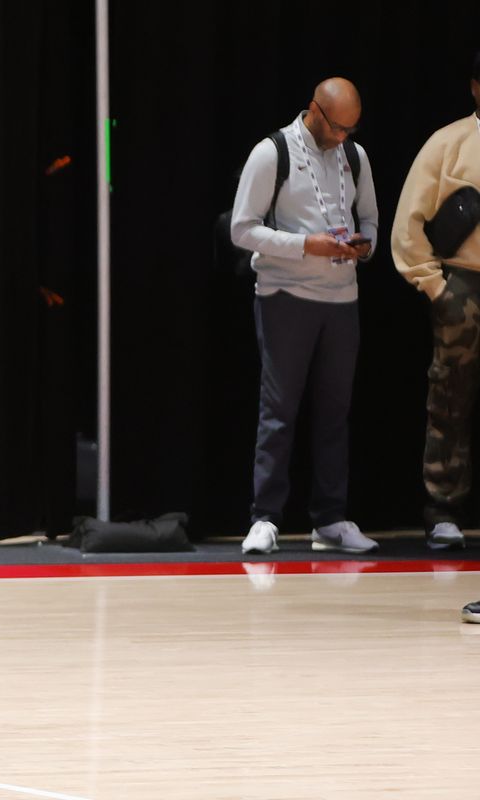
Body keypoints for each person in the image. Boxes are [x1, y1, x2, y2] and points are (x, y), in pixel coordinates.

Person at [230, 77, 381, 555]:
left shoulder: (355, 157)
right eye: (337, 128)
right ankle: (265, 518)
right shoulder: (272, 152)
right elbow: (241, 228)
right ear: (314, 110)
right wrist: (303, 246)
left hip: (342, 300)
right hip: (286, 295)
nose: (343, 138)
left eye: (351, 131)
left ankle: (330, 519)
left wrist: (365, 244)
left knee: (335, 413)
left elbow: (372, 218)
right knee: (280, 411)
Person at [392, 54, 480, 565]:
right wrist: (436, 288)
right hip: (464, 282)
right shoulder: (448, 144)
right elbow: (409, 222)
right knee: (451, 395)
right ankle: (444, 510)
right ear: (474, 88)